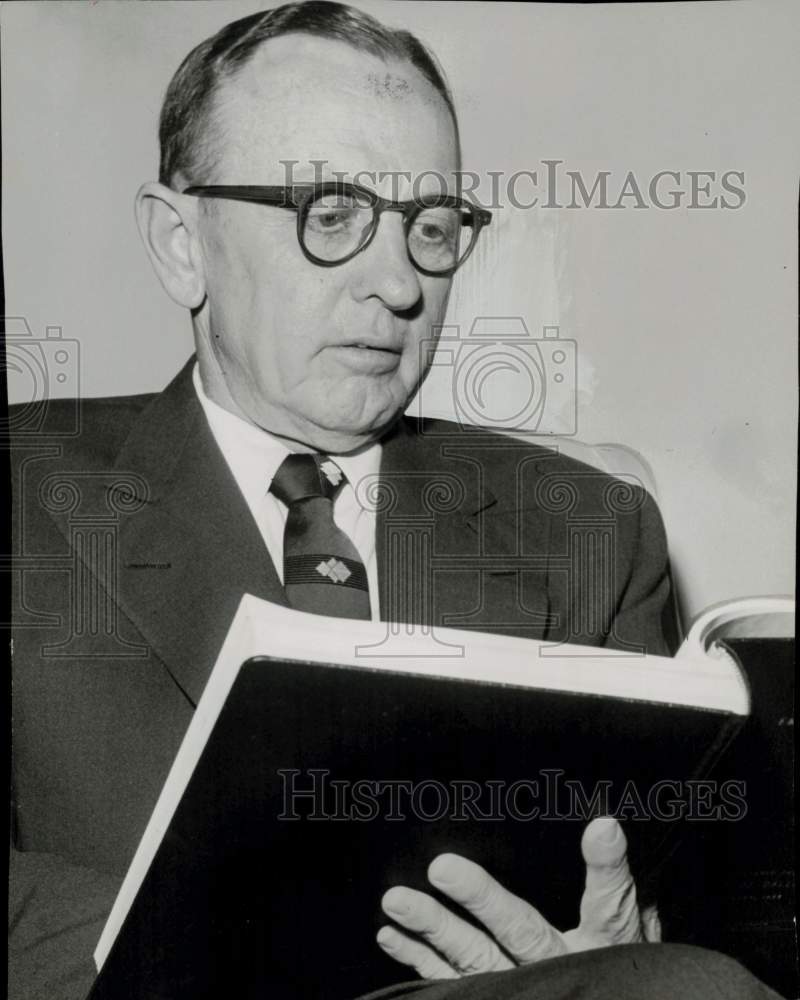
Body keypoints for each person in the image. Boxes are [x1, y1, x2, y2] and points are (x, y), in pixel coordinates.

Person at [6, 3, 780, 998]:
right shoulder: (24, 493)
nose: (397, 283)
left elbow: (669, 891)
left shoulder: (592, 529)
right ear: (178, 242)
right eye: (330, 214)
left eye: (430, 226)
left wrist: (615, 938)